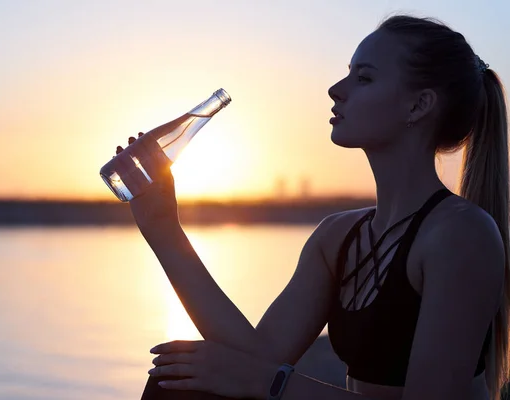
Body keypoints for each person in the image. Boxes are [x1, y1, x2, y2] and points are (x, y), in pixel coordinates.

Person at [120, 14, 509, 400]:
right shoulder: (338, 237)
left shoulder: (460, 234)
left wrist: (271, 383)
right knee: (175, 378)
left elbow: (258, 375)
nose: (336, 89)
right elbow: (253, 358)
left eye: (364, 78)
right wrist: (163, 228)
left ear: (419, 105)